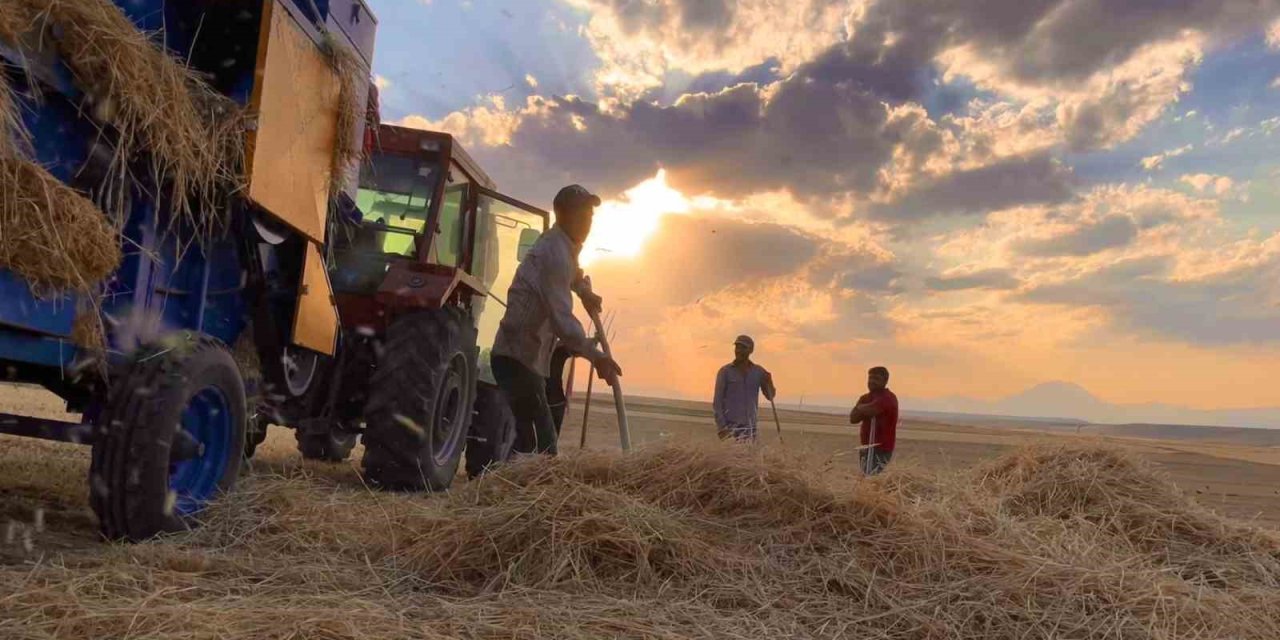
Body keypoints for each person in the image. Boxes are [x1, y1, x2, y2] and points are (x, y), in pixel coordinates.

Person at [491, 184, 622, 456]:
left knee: (532, 440)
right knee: (542, 445)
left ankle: (513, 488)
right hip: (516, 357)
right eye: (583, 216)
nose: (588, 223)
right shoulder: (554, 253)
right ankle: (512, 491)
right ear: (564, 215)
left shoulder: (563, 246)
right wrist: (596, 356)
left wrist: (584, 290)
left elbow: (572, 273)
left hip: (527, 358)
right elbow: (562, 320)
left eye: (590, 216)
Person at [712, 335, 776, 442]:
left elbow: (770, 396)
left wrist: (769, 382)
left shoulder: (758, 372)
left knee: (748, 458)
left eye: (743, 348)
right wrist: (722, 428)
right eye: (737, 347)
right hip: (730, 428)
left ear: (751, 350)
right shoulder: (725, 372)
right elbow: (717, 402)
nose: (739, 351)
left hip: (750, 429)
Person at [849, 366, 898, 475]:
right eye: (870, 378)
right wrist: (863, 408)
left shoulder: (888, 397)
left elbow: (872, 410)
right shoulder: (866, 397)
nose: (872, 382)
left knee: (872, 477)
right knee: (866, 476)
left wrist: (860, 407)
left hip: (880, 448)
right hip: (866, 446)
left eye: (876, 379)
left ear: (885, 381)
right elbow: (853, 418)